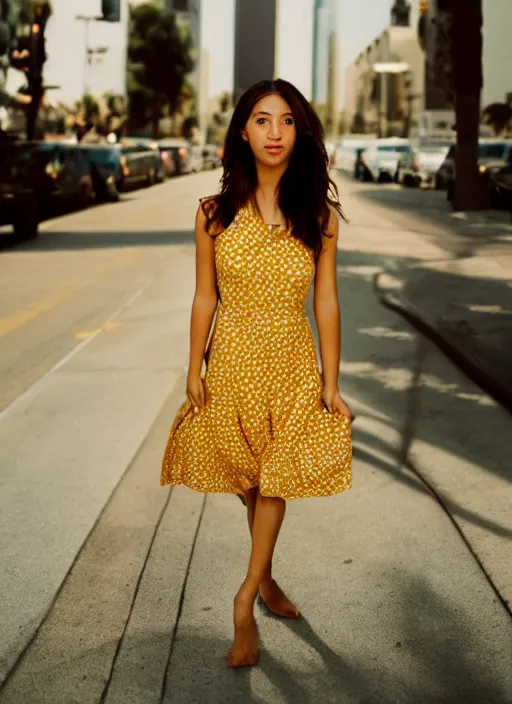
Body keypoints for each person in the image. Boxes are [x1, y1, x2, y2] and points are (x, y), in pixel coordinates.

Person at [161, 79, 353, 669]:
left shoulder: (317, 215)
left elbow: (326, 299)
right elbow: (203, 298)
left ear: (301, 132)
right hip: (234, 362)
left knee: (276, 479)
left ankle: (244, 600)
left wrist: (330, 381)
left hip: (292, 361)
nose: (275, 132)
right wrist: (193, 367)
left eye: (287, 120)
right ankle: (267, 578)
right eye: (263, 120)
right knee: (248, 476)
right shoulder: (213, 214)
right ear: (243, 130)